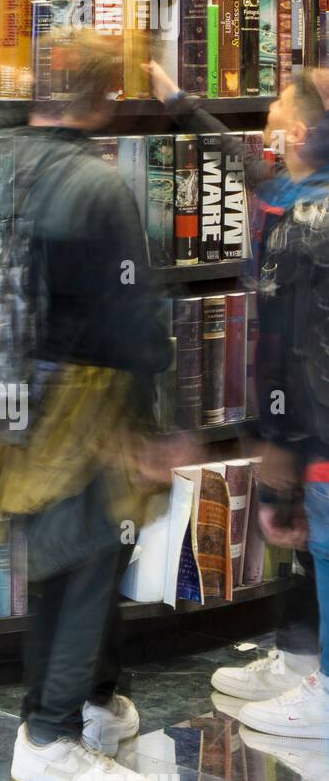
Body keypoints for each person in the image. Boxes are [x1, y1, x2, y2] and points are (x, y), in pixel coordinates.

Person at [0, 31, 184, 781]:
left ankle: (87, 706)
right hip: (86, 404)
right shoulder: (101, 188)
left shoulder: (2, 158)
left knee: (55, 563)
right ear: (105, 100)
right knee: (88, 561)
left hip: (8, 399)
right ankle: (52, 736)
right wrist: (163, 425)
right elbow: (136, 321)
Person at [146, 62, 326, 701]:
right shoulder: (288, 190)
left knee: (316, 538)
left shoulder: (310, 218)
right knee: (307, 546)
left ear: (297, 132)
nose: (266, 116)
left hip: (309, 418)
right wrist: (178, 102)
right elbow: (241, 164)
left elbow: (294, 344)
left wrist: (281, 436)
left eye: (276, 106)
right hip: (298, 413)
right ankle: (301, 655)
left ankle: (320, 684)